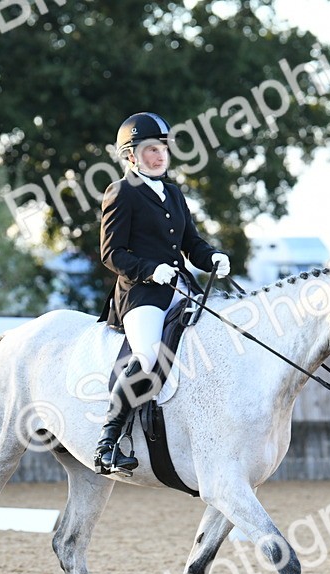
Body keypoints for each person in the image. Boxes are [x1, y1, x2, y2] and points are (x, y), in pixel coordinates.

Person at [93, 111, 230, 475]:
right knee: (149, 356)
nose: (160, 155)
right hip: (141, 294)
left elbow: (191, 244)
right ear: (131, 155)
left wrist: (212, 257)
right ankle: (108, 441)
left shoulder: (172, 192)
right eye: (151, 149)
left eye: (163, 148)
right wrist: (151, 270)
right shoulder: (121, 192)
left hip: (181, 286)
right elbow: (112, 253)